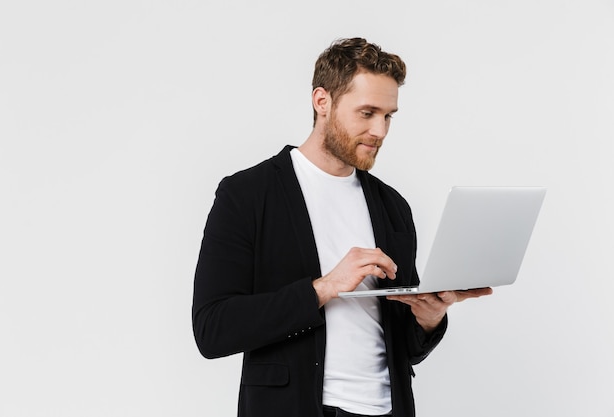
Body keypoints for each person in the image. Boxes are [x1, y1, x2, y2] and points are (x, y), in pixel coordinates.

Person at [192, 37, 492, 417]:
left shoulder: (393, 206)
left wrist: (429, 318)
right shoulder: (247, 194)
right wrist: (324, 288)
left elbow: (406, 348)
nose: (380, 131)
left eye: (388, 116)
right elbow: (212, 329)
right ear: (322, 101)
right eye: (367, 113)